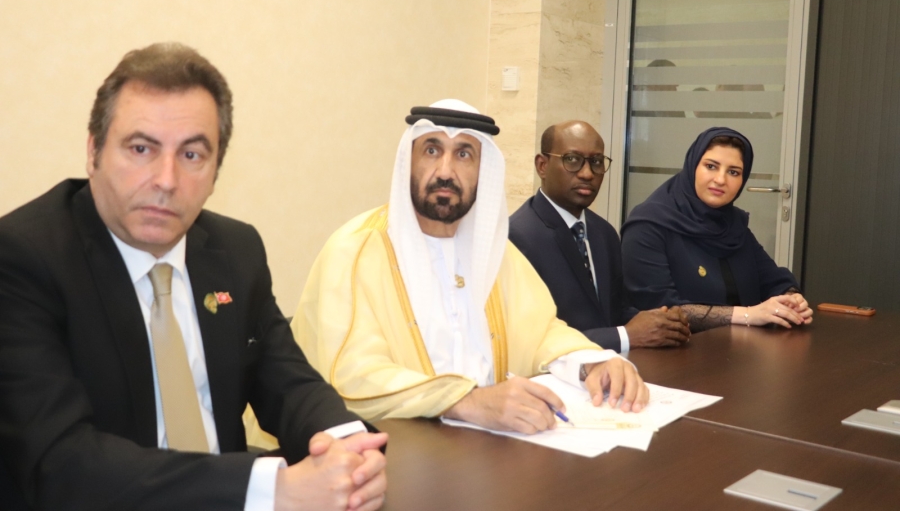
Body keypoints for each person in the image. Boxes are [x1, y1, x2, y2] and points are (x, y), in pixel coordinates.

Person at [0, 43, 387, 511]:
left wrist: (349, 449)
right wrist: (273, 490)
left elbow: (289, 383)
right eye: (141, 149)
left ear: (216, 170)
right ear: (93, 151)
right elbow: (61, 464)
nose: (166, 180)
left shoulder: (235, 250)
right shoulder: (24, 258)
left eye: (191, 154)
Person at [289, 100, 649, 436]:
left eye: (464, 155)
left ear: (482, 171)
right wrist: (468, 401)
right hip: (391, 448)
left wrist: (592, 361)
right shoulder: (355, 251)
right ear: (408, 162)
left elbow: (540, 331)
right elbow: (352, 376)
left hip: (490, 444)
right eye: (432, 151)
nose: (445, 171)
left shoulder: (495, 252)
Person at [509, 121, 691, 352]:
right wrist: (625, 336)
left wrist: (663, 323)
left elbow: (614, 311)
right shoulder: (516, 237)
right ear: (542, 165)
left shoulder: (603, 232)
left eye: (596, 162)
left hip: (612, 369)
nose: (587, 173)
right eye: (572, 159)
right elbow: (529, 341)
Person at [620, 126, 812, 331]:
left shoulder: (732, 225)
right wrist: (748, 315)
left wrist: (791, 299)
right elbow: (660, 308)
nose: (720, 180)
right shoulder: (647, 225)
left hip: (739, 344)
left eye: (733, 172)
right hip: (676, 347)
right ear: (693, 166)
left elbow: (773, 279)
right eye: (711, 166)